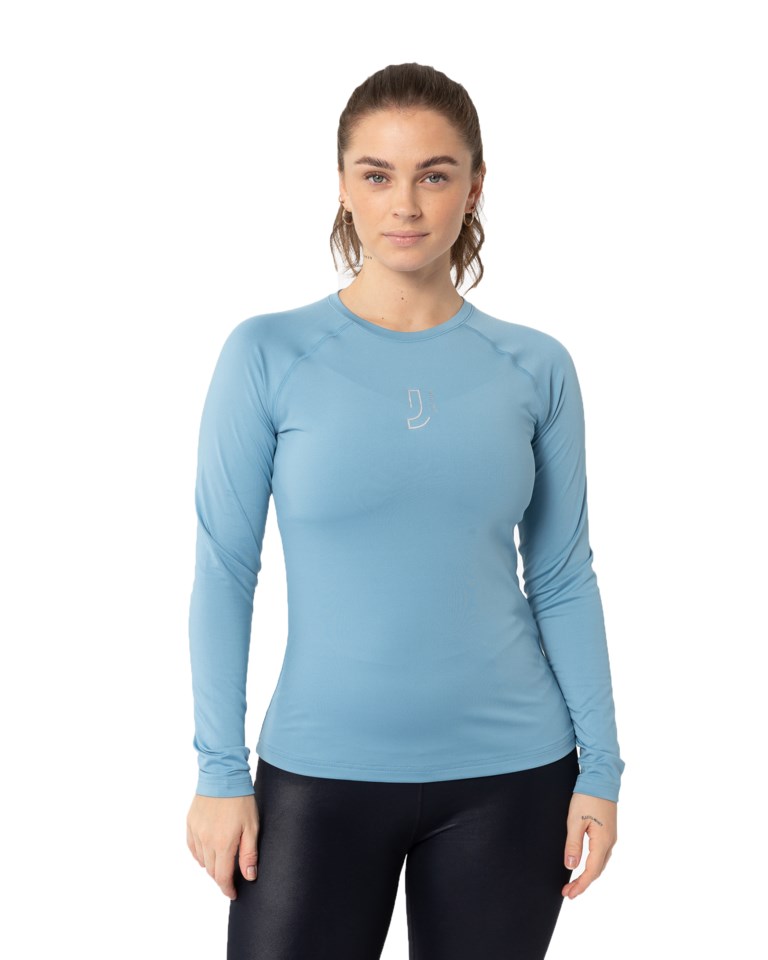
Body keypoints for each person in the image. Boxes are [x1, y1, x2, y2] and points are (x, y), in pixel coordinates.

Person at [185, 62, 625, 960]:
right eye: (378, 175)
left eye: (435, 174)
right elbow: (226, 570)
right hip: (317, 772)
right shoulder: (269, 353)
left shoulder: (535, 366)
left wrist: (603, 769)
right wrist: (219, 771)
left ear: (475, 185)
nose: (407, 205)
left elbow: (561, 576)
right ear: (343, 185)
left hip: (515, 776)